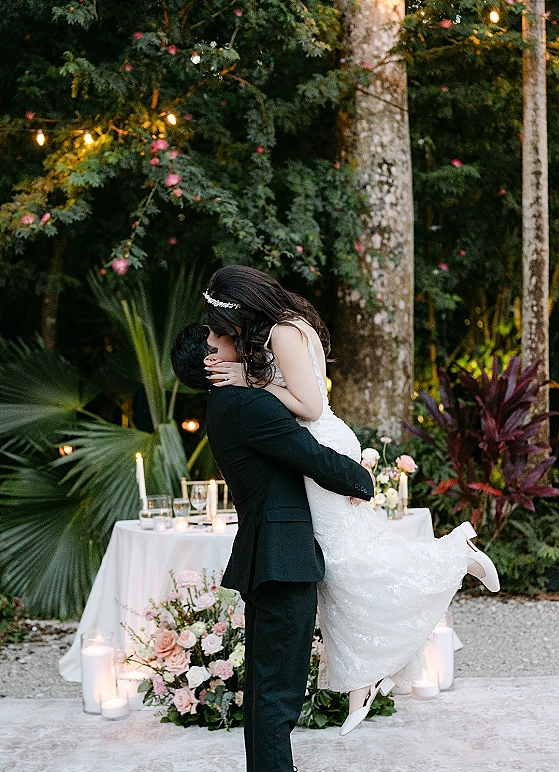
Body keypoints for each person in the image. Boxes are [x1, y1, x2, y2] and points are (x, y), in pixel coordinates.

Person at [202, 265, 500, 736]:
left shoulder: (282, 330)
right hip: (309, 443)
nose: (224, 337)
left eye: (226, 325)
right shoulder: (278, 329)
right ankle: (363, 673)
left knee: (342, 558)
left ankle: (451, 557)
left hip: (317, 439)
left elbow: (311, 405)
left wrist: (247, 379)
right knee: (338, 565)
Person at [171, 323, 374, 772]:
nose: (234, 341)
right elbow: (310, 457)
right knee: (279, 682)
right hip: (282, 554)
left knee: (267, 677)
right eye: (220, 342)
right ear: (210, 361)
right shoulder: (247, 406)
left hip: (268, 549)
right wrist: (363, 478)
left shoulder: (227, 405)